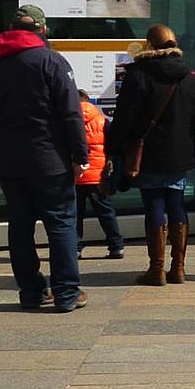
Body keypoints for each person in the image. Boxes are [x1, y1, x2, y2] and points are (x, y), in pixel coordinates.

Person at [0, 4, 89, 312]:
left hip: (9, 160)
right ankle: (66, 293)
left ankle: (31, 291)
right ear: (40, 29)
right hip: (49, 159)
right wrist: (81, 154)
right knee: (62, 224)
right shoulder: (51, 61)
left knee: (20, 226)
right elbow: (70, 113)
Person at [107, 24, 195, 286]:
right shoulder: (192, 76)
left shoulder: (138, 75)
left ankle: (157, 269)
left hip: (148, 152)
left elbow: (124, 118)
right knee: (176, 204)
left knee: (154, 204)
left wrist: (114, 148)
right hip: (180, 151)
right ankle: (179, 268)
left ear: (150, 45)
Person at [75, 89, 124, 260]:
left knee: (75, 214)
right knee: (106, 212)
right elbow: (113, 147)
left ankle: (75, 248)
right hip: (98, 175)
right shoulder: (103, 121)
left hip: (75, 174)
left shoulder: (68, 121)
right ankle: (116, 246)